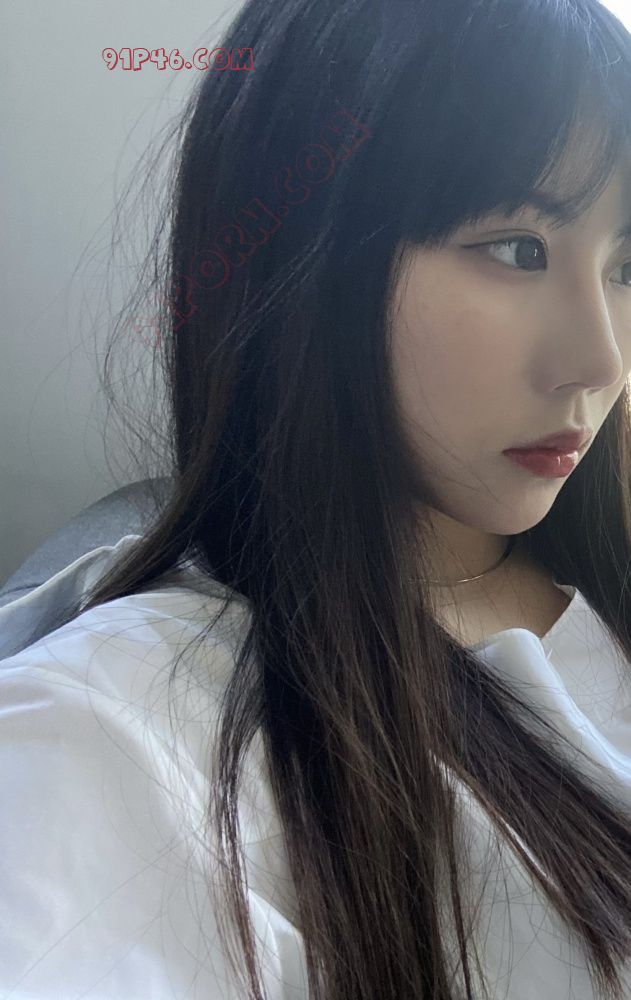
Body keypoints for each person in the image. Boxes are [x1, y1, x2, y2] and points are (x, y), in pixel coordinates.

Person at [3, 0, 631, 996]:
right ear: (304, 258)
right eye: (517, 247)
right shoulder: (127, 725)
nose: (599, 360)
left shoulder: (598, 576)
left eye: (626, 264)